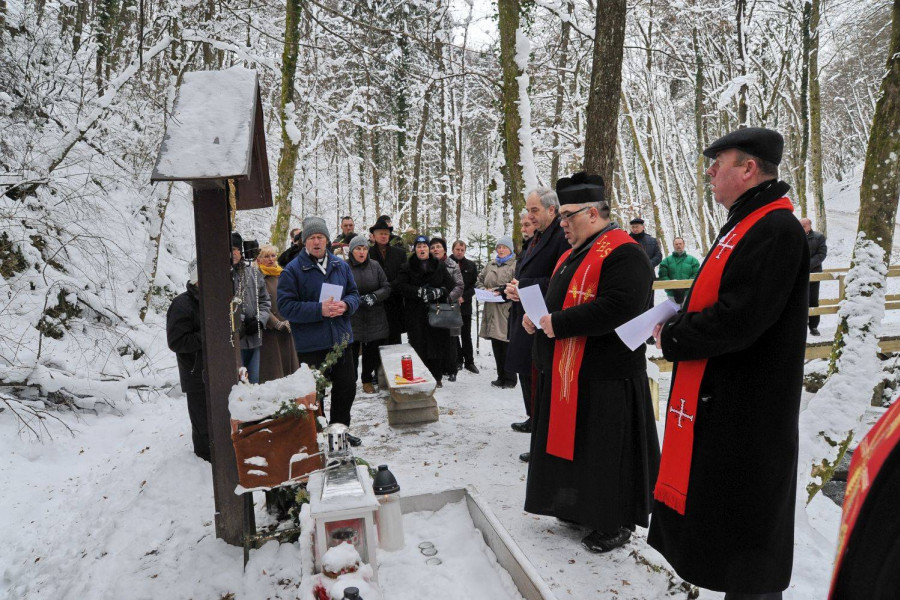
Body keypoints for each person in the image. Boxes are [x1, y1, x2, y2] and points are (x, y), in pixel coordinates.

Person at [648, 127, 809, 600]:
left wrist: (675, 334)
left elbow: (743, 317)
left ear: (749, 168)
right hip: (728, 401)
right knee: (732, 529)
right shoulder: (747, 221)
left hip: (753, 410)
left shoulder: (775, 228)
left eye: (719, 162)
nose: (710, 172)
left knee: (750, 538)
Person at [521, 172, 660, 554]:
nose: (561, 223)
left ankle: (614, 521)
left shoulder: (624, 252)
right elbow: (559, 299)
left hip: (606, 376)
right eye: (561, 216)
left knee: (605, 454)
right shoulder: (571, 252)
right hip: (572, 374)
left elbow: (618, 308)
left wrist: (558, 323)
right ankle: (580, 507)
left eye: (567, 216)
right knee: (578, 450)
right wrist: (538, 315)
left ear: (594, 213)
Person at [277, 216, 362, 444]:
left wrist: (346, 305)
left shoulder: (340, 265)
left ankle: (340, 432)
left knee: (346, 389)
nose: (317, 242)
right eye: (312, 238)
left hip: (341, 341)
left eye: (321, 237)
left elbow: (354, 294)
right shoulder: (292, 271)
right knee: (317, 395)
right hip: (312, 345)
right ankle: (318, 435)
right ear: (305, 242)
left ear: (327, 240)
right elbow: (285, 307)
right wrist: (319, 310)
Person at [504, 187, 569, 462]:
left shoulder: (560, 237)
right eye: (527, 211)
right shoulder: (539, 236)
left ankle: (544, 439)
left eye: (534, 210)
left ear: (551, 210)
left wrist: (524, 286)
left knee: (542, 381)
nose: (529, 216)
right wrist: (515, 288)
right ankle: (537, 426)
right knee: (530, 375)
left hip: (546, 317)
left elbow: (562, 278)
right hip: (528, 312)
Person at [395, 235, 456, 387]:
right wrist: (418, 291)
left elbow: (450, 283)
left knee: (436, 343)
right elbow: (400, 286)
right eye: (418, 246)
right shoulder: (407, 266)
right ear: (414, 249)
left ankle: (437, 376)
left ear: (428, 249)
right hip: (415, 313)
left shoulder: (439, 265)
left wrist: (439, 291)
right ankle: (420, 374)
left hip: (436, 311)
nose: (422, 249)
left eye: (424, 246)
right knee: (418, 343)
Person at [166, 260, 209, 462]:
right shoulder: (182, 304)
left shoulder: (216, 299)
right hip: (196, 373)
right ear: (196, 280)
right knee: (202, 424)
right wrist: (207, 337)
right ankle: (202, 462)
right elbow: (176, 341)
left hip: (218, 371)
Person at [347, 235, 390, 394]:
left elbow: (386, 287)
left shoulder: (375, 266)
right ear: (352, 251)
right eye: (358, 248)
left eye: (364, 248)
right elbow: (339, 289)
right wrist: (353, 300)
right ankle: (350, 382)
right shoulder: (344, 267)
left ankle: (366, 380)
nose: (362, 252)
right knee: (351, 352)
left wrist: (374, 296)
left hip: (374, 315)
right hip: (353, 316)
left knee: (371, 351)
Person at [476, 236, 517, 388]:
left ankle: (511, 379)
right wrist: (483, 290)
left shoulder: (515, 265)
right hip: (491, 308)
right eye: (498, 247)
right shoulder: (490, 264)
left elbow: (515, 284)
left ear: (510, 249)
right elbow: (479, 279)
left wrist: (499, 291)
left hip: (506, 308)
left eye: (504, 247)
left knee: (507, 344)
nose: (500, 250)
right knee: (496, 344)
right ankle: (500, 376)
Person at [256, 244, 299, 383]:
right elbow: (259, 304)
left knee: (289, 370)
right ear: (259, 259)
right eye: (266, 256)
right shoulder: (257, 278)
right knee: (274, 372)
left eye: (273, 255)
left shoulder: (283, 274)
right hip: (270, 331)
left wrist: (291, 319)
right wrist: (275, 322)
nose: (270, 259)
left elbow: (292, 297)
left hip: (287, 327)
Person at [232, 232, 271, 384]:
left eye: (236, 248)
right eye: (230, 249)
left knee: (253, 382)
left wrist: (260, 321)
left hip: (254, 339)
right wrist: (238, 323)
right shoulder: (221, 276)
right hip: (235, 342)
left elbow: (265, 300)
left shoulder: (253, 273)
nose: (233, 253)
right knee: (238, 384)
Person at [430, 237, 464, 382]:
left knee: (451, 338)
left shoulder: (452, 265)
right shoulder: (427, 264)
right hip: (433, 307)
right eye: (432, 247)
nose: (435, 249)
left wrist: (447, 298)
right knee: (435, 338)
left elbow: (459, 285)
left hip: (449, 306)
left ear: (444, 249)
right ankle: (439, 367)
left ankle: (452, 369)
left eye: (438, 246)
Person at [368, 217, 407, 345]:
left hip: (394, 303)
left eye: (386, 233)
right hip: (376, 304)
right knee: (376, 342)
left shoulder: (400, 253)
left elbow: (403, 275)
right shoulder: (367, 253)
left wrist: (389, 288)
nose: (383, 236)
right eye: (380, 233)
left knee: (394, 340)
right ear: (374, 235)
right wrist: (380, 292)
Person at [449, 240, 479, 374]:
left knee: (466, 334)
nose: (459, 252)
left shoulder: (471, 265)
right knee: (454, 334)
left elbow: (474, 286)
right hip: (450, 304)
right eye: (457, 249)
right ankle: (457, 360)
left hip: (465, 305)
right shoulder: (446, 264)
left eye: (462, 250)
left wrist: (464, 297)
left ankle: (469, 362)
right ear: (452, 250)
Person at [801, 218, 827, 336]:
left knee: (813, 300)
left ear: (809, 226)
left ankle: (813, 326)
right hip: (799, 274)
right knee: (799, 301)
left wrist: (807, 264)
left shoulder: (818, 237)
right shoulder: (796, 236)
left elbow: (821, 254)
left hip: (814, 272)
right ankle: (800, 327)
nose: (802, 227)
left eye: (804, 225)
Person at [657, 237, 700, 305]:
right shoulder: (666, 261)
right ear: (673, 245)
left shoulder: (693, 260)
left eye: (680, 244)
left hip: (688, 294)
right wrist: (672, 287)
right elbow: (663, 275)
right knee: (674, 314)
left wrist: (685, 287)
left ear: (683, 244)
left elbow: (696, 274)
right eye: (676, 244)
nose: (678, 246)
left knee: (687, 314)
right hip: (672, 295)